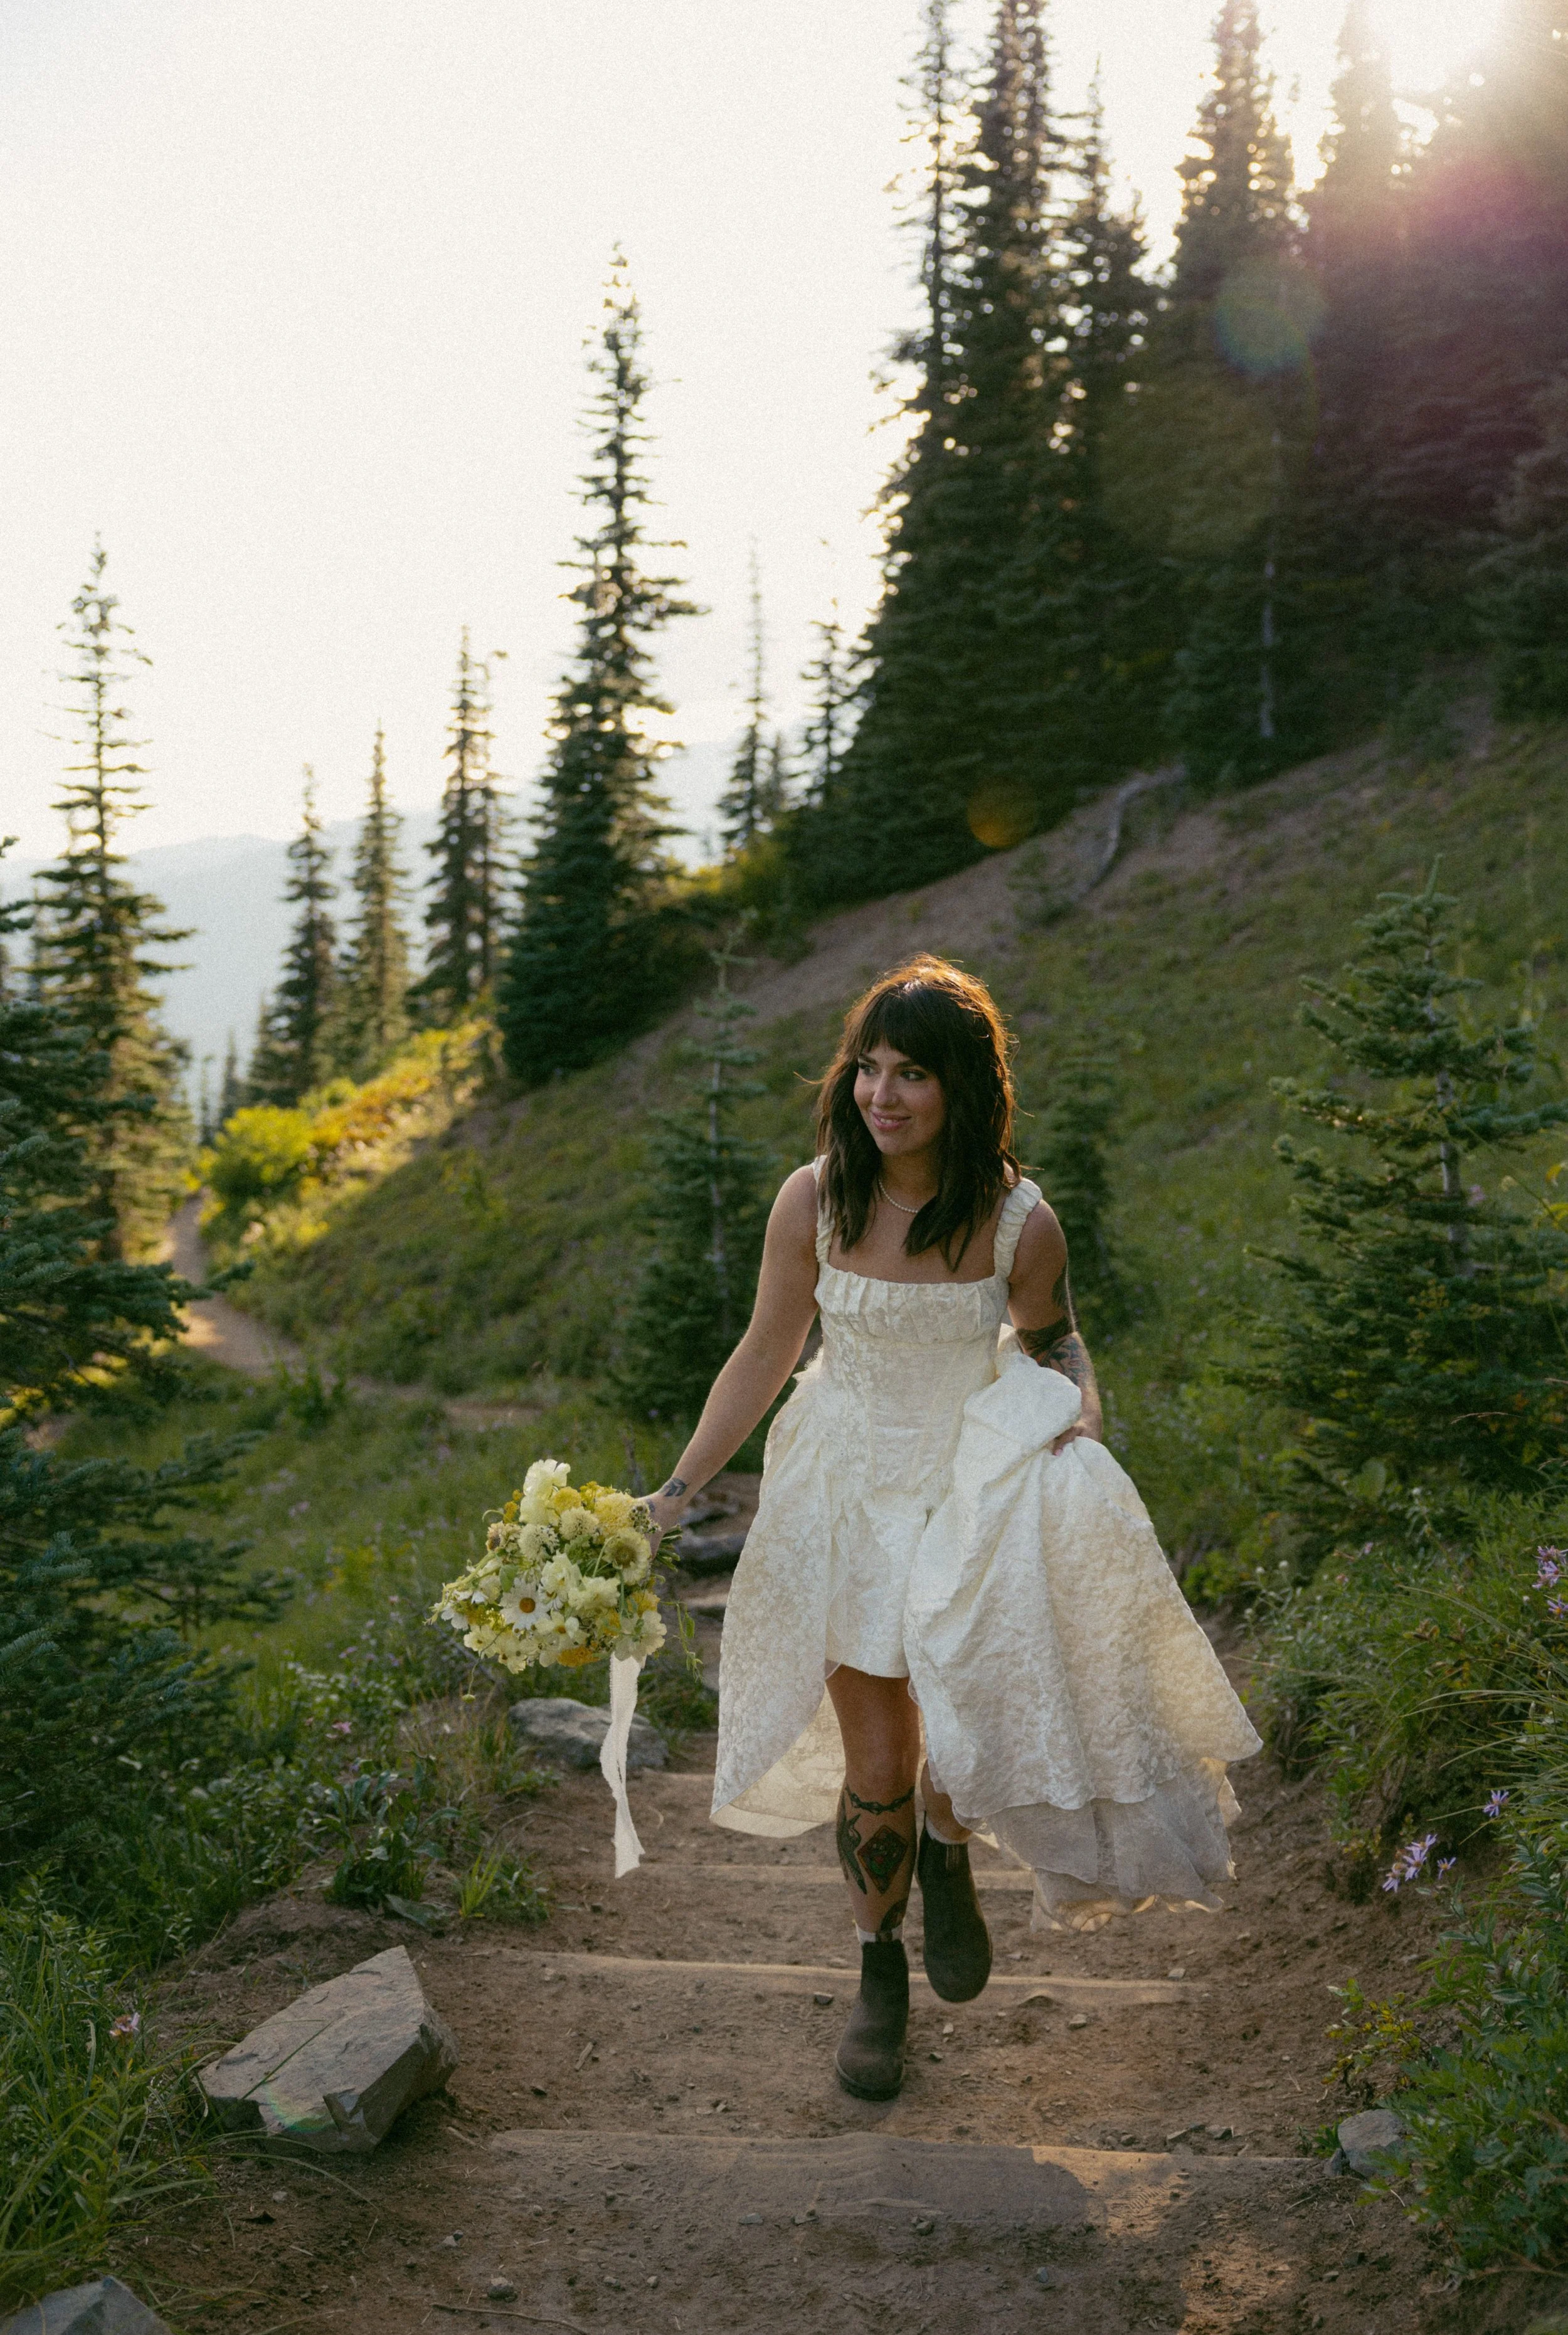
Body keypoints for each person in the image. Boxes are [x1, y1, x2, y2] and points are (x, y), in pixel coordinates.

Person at [645, 956, 1259, 2102]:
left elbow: (1056, 1343)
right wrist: (676, 1493)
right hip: (842, 1488)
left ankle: (949, 1849)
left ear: (962, 1087)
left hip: (968, 1494)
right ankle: (878, 1970)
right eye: (869, 1067)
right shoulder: (814, 1198)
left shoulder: (1019, 1221)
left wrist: (1078, 1419)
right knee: (880, 1756)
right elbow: (766, 1352)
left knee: (956, 1749)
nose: (882, 1094)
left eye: (912, 1073)